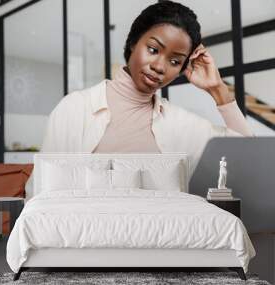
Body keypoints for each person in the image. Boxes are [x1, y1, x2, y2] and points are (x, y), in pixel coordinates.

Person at [25, 1, 253, 197]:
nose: (159, 66)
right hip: (83, 239)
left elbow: (248, 160)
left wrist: (218, 90)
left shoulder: (180, 123)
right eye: (153, 49)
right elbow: (40, 192)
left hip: (160, 241)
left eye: (175, 62)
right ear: (134, 42)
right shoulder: (75, 108)